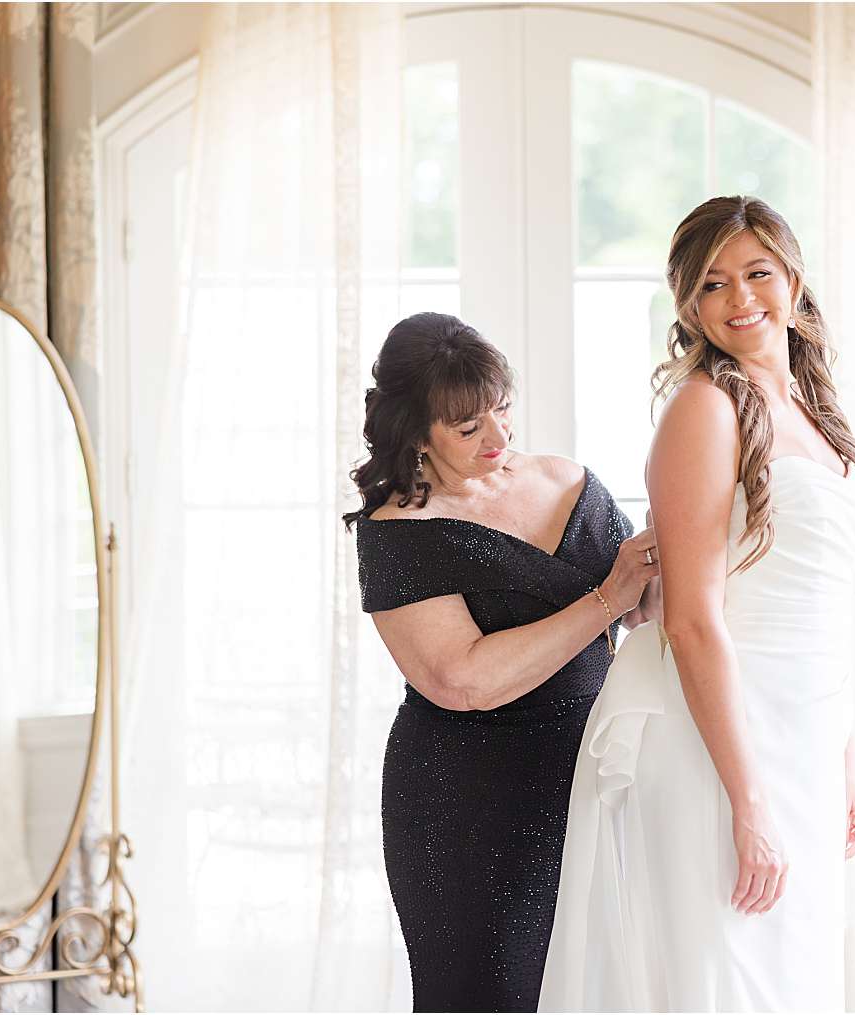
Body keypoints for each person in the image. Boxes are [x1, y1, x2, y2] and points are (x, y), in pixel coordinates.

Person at [539, 196, 855, 1011]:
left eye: (757, 273)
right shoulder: (705, 408)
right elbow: (694, 619)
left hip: (799, 740)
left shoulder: (815, 415)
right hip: (718, 745)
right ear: (689, 308)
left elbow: (819, 617)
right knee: (728, 981)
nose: (740, 299)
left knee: (790, 978)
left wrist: (845, 767)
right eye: (712, 285)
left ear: (793, 282)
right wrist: (748, 798)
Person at [344, 312, 659, 1012]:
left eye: (503, 409)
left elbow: (645, 606)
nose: (499, 437)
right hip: (468, 806)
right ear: (416, 433)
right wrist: (606, 599)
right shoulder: (398, 532)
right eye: (468, 427)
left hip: (588, 779)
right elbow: (463, 679)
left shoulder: (565, 481)